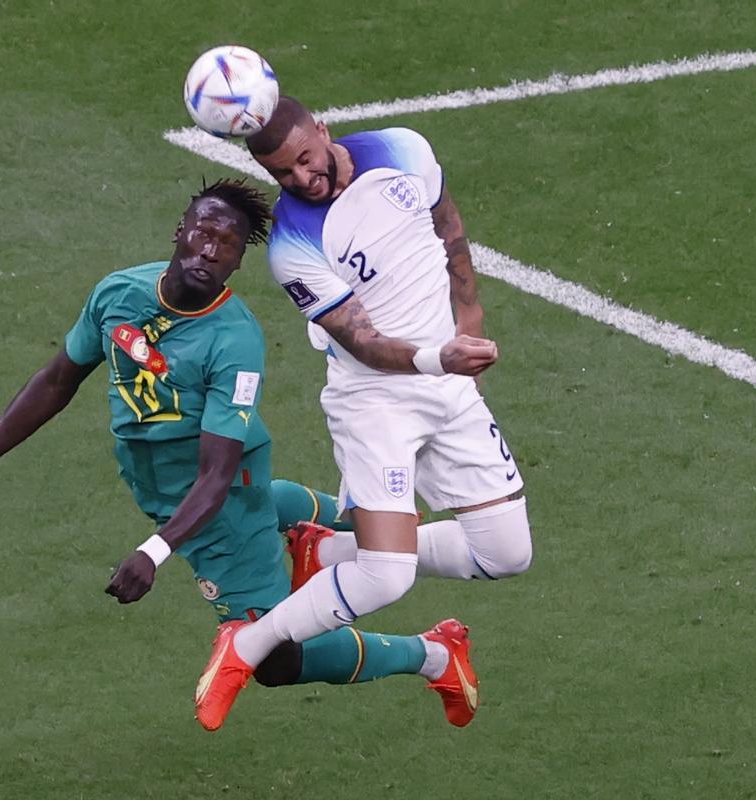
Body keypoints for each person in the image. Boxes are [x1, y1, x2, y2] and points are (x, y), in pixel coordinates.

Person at [0, 179, 479, 731]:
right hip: (166, 484)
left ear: (237, 262)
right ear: (181, 229)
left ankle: (433, 655)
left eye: (226, 245)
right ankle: (326, 528)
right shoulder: (118, 293)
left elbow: (217, 475)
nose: (209, 250)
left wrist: (153, 553)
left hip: (212, 496)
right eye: (203, 232)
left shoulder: (234, 339)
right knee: (258, 504)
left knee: (271, 658)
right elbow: (57, 380)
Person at [194, 98, 533, 730]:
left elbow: (449, 229)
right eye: (284, 174)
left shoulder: (404, 148)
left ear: (323, 131)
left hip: (448, 384)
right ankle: (244, 647)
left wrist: (471, 318)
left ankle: (324, 553)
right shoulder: (294, 245)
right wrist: (440, 356)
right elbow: (364, 343)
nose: (302, 179)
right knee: (385, 577)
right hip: (375, 401)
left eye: (304, 159)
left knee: (506, 552)